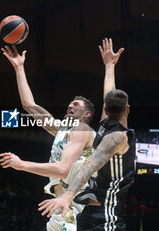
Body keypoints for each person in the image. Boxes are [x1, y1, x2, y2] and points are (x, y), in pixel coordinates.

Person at [0, 45, 99, 231]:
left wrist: (21, 164)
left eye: (76, 104)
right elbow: (30, 105)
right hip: (61, 204)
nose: (70, 105)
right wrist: (19, 68)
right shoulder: (62, 129)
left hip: (78, 205)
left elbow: (62, 169)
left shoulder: (82, 130)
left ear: (86, 114)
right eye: (70, 103)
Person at [38, 38, 135, 231]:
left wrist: (109, 67)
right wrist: (109, 66)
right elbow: (91, 165)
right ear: (128, 110)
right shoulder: (113, 133)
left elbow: (89, 167)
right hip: (96, 216)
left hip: (98, 216)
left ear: (105, 110)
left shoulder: (109, 133)